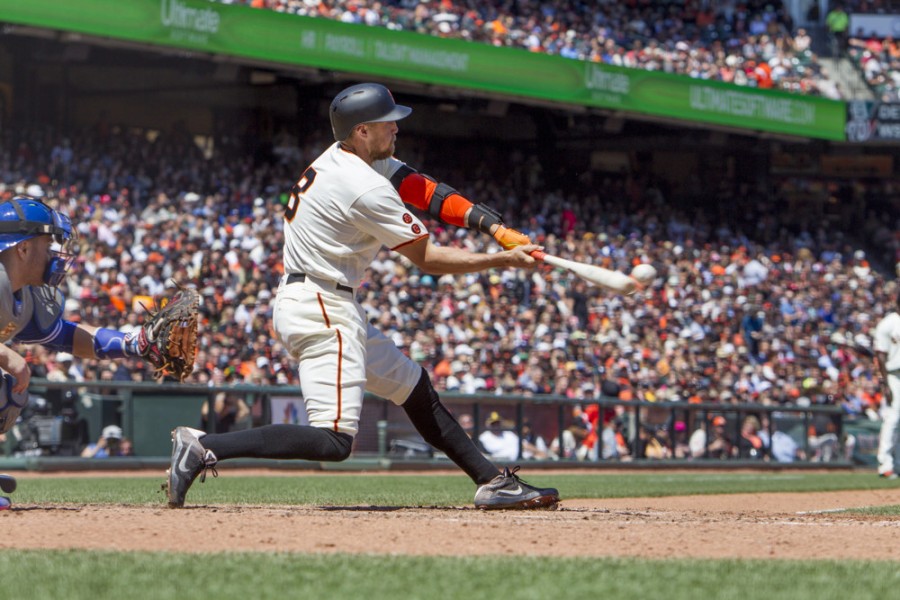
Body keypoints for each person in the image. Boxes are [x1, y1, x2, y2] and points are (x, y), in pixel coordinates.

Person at [165, 82, 559, 510]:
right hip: (322, 306)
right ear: (362, 131)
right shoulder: (362, 185)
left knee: (412, 385)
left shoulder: (346, 158)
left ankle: (490, 481)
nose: (396, 130)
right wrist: (503, 260)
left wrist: (492, 227)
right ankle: (204, 445)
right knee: (334, 441)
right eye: (388, 124)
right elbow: (427, 258)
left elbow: (421, 188)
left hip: (323, 300)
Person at [0, 197, 160, 506]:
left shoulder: (24, 295)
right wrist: (6, 355)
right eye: (47, 245)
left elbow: (66, 337)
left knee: (10, 392)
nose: (54, 255)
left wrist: (134, 343)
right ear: (23, 249)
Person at [874, 291, 900, 479]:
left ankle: (896, 464)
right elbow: (880, 355)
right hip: (893, 375)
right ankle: (885, 465)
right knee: (893, 418)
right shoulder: (888, 323)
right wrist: (885, 385)